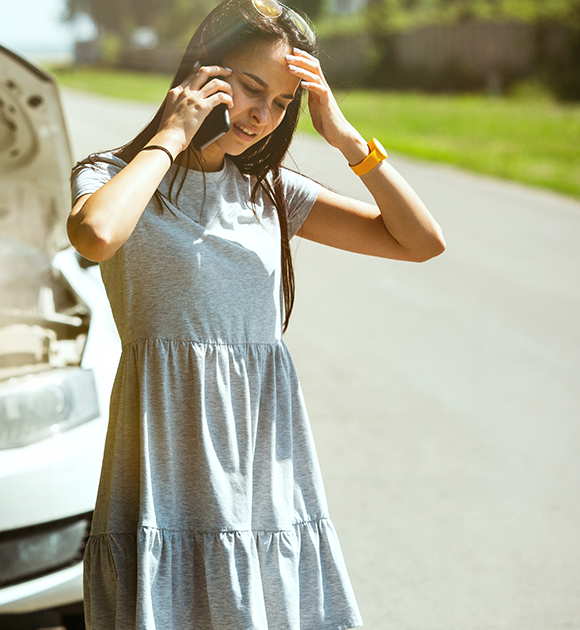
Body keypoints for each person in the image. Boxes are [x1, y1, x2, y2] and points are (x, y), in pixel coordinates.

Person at [68, 0, 445, 627]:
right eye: (249, 89)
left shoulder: (270, 190)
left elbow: (420, 242)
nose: (261, 116)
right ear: (202, 72)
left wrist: (349, 141)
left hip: (261, 454)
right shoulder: (113, 177)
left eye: (280, 104)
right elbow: (96, 234)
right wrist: (172, 132)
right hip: (167, 453)